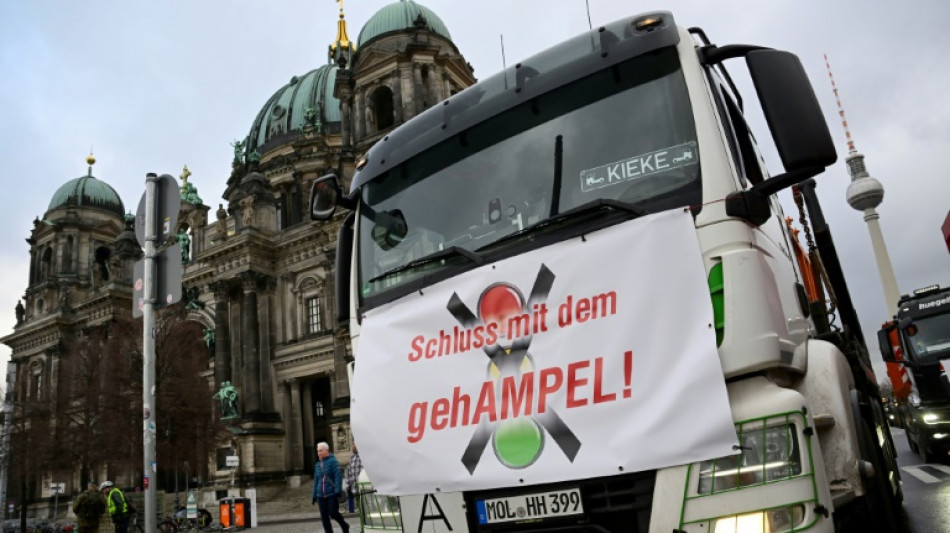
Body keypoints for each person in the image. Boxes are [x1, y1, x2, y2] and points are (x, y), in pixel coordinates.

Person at [312, 442, 349, 533]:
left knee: (332, 513)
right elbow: (316, 481)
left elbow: (338, 476)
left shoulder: (333, 461)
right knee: (324, 517)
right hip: (320, 494)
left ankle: (344, 525)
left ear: (327, 451)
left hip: (332, 493)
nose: (319, 453)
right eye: (318, 451)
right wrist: (314, 494)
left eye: (321, 450)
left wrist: (337, 490)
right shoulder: (317, 465)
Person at [343, 443, 362, 513]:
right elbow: (347, 471)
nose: (353, 447)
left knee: (362, 502)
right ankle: (352, 510)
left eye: (355, 445)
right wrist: (347, 483)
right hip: (352, 484)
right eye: (353, 445)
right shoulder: (352, 457)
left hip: (361, 484)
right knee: (351, 498)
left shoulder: (363, 457)